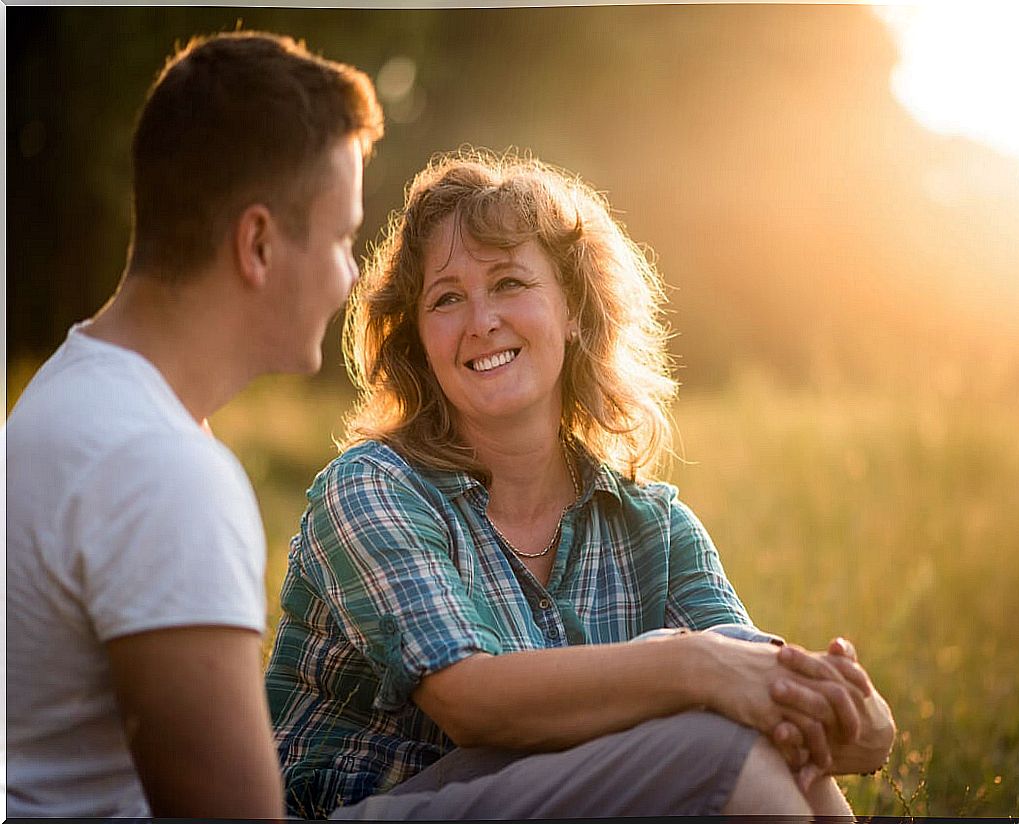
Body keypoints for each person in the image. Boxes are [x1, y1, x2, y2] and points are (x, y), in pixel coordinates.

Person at [265, 150, 895, 820]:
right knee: (717, 746)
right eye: (447, 298)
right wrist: (690, 669)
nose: (481, 320)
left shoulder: (653, 527)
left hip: (550, 797)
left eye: (509, 283)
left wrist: (837, 706)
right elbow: (470, 702)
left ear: (573, 310)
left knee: (742, 737)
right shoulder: (371, 489)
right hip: (367, 808)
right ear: (420, 341)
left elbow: (840, 727)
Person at [6, 31, 383, 818]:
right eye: (345, 236)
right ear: (258, 243)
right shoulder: (160, 470)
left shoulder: (72, 389)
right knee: (679, 762)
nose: (353, 275)